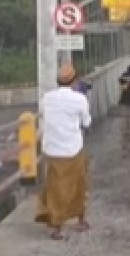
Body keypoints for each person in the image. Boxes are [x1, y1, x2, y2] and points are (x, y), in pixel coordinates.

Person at [35, 63, 91, 240]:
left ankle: (56, 227)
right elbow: (87, 122)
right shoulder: (80, 99)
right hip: (72, 148)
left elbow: (43, 116)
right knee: (78, 184)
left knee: (55, 187)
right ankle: (80, 220)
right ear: (74, 81)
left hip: (51, 149)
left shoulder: (46, 98)